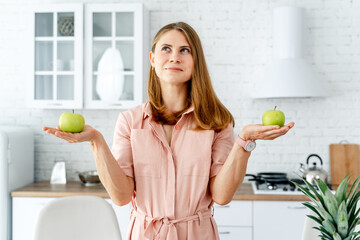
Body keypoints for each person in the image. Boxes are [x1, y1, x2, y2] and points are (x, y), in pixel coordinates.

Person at [43, 22, 294, 240]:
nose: (174, 57)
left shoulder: (217, 121)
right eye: (166, 49)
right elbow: (120, 196)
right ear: (152, 60)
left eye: (185, 50)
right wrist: (96, 141)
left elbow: (221, 195)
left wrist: (245, 142)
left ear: (196, 63)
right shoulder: (130, 121)